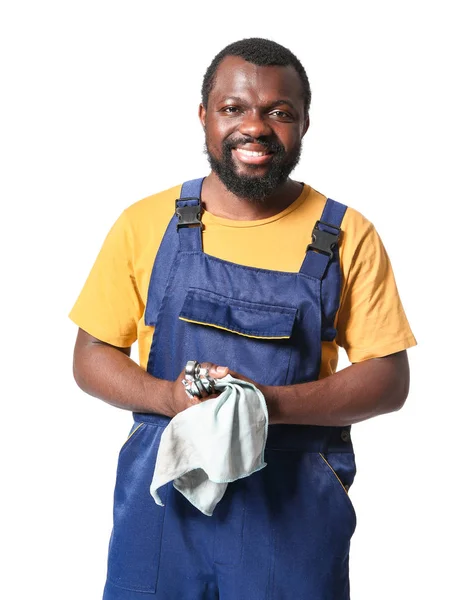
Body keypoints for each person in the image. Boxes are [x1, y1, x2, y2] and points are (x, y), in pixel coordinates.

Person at [70, 37, 416, 600]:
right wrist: (168, 397)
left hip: (291, 514)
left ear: (304, 123)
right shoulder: (147, 223)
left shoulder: (346, 236)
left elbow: (389, 379)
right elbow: (90, 356)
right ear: (204, 116)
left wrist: (265, 405)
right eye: (233, 108)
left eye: (278, 112)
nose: (254, 126)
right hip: (164, 514)